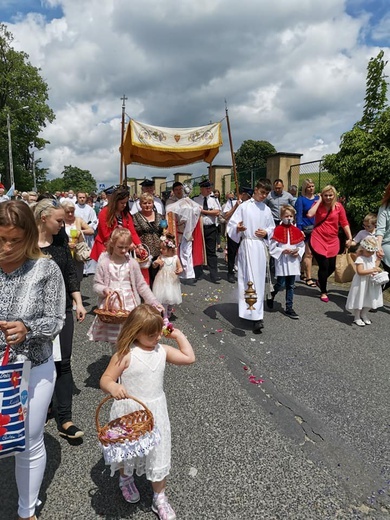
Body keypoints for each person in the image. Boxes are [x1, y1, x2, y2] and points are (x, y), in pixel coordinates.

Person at [0, 200, 66, 520]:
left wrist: (28, 328)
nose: (7, 247)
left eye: (15, 240)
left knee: (28, 439)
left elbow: (56, 320)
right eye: (1, 239)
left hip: (34, 368)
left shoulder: (46, 268)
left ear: (28, 236)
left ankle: (27, 511)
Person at [100, 304, 195, 520]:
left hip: (155, 412)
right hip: (129, 412)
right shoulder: (125, 354)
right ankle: (126, 478)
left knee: (158, 452)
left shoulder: (161, 351)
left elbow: (189, 358)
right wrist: (114, 387)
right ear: (135, 332)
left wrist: (178, 335)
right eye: (151, 335)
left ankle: (159, 496)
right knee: (128, 449)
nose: (157, 338)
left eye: (158, 333)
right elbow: (105, 379)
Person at [34, 198, 87, 440]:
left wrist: (77, 301)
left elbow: (69, 272)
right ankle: (42, 407)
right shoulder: (26, 244)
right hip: (34, 314)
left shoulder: (61, 239)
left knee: (63, 362)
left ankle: (65, 419)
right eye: (58, 220)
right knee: (38, 361)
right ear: (43, 218)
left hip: (63, 308)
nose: (62, 223)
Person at [88, 228, 162, 348]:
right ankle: (116, 361)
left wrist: (153, 302)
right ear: (112, 244)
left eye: (126, 247)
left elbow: (141, 285)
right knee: (115, 339)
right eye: (120, 247)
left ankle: (128, 361)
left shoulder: (132, 263)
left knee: (130, 335)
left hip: (130, 305)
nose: (123, 250)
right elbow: (96, 284)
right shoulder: (104, 263)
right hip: (112, 307)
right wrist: (104, 290)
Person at [227, 179, 275, 333]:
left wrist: (266, 232)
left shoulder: (267, 210)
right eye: (262, 192)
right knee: (248, 279)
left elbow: (272, 227)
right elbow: (231, 225)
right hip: (247, 246)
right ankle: (248, 311)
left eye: (266, 194)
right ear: (256, 189)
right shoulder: (244, 207)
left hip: (259, 247)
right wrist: (238, 228)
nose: (263, 196)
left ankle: (258, 317)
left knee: (259, 281)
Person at [307, 185, 353, 302]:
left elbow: (344, 222)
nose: (328, 197)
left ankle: (320, 281)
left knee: (332, 266)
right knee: (324, 266)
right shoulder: (318, 205)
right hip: (318, 238)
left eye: (330, 195)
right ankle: (323, 291)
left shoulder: (338, 207)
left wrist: (350, 237)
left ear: (334, 196)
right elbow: (310, 214)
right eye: (325, 195)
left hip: (332, 240)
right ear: (322, 195)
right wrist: (319, 201)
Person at [267, 205, 305, 319]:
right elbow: (272, 247)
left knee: (291, 285)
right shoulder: (277, 230)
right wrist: (282, 251)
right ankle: (272, 294)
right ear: (281, 216)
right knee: (281, 283)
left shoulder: (297, 230)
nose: (288, 218)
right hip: (282, 260)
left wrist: (298, 251)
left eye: (291, 216)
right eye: (286, 216)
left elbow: (301, 245)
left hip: (292, 261)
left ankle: (289, 307)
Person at [90, 187, 141, 262]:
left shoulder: (126, 214)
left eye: (126, 202)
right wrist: (127, 243)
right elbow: (107, 235)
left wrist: (139, 245)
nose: (124, 205)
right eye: (122, 203)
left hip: (121, 248)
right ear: (115, 201)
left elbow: (132, 232)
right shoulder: (104, 213)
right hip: (105, 249)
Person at [346, 237, 383, 326]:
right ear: (363, 249)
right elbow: (360, 272)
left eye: (372, 252)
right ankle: (357, 317)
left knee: (370, 297)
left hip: (370, 281)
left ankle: (364, 314)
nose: (370, 254)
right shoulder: (360, 259)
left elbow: (374, 265)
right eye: (368, 251)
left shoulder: (371, 257)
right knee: (360, 297)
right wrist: (373, 270)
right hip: (361, 282)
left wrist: (378, 259)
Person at [193, 179, 222, 283]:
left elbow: (217, 212)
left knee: (211, 252)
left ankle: (214, 274)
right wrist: (209, 212)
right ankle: (198, 273)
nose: (209, 190)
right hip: (199, 229)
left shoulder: (214, 199)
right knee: (198, 249)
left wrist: (203, 211)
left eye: (210, 188)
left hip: (211, 228)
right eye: (207, 188)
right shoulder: (195, 199)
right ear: (201, 189)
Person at [132, 192, 164, 286]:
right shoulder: (135, 217)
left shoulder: (159, 216)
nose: (147, 205)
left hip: (158, 249)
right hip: (144, 250)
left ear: (153, 203)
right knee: (144, 277)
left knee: (157, 275)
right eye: (144, 203)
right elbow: (133, 233)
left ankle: (156, 297)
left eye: (149, 203)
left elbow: (164, 231)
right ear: (140, 204)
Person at [152, 233, 183, 322]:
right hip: (162, 280)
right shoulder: (161, 257)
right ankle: (165, 316)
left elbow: (180, 267)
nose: (161, 250)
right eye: (160, 249)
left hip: (171, 280)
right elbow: (154, 266)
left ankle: (169, 309)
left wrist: (179, 270)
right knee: (164, 298)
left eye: (163, 249)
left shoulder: (175, 258)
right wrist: (156, 263)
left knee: (171, 297)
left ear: (170, 249)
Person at [295, 178, 320, 287]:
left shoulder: (318, 199)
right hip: (307, 229)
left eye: (312, 186)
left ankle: (302, 271)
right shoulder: (301, 200)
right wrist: (300, 230)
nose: (311, 188)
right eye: (308, 186)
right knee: (309, 253)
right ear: (305, 188)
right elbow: (299, 215)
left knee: (311, 253)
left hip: (318, 229)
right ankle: (309, 277)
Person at [61, 200, 94, 283]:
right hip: (64, 252)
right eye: (67, 212)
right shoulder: (60, 221)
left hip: (77, 252)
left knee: (77, 276)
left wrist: (80, 232)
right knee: (65, 276)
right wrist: (67, 244)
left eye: (72, 212)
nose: (70, 214)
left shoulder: (78, 220)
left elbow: (91, 231)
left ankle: (76, 293)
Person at [224, 188, 252, 283]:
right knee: (232, 253)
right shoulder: (232, 202)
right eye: (247, 196)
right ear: (242, 194)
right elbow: (226, 216)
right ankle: (230, 272)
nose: (248, 198)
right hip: (233, 231)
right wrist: (236, 206)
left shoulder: (251, 205)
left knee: (245, 253)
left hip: (246, 232)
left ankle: (244, 273)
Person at [75, 192, 98, 276]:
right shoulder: (74, 208)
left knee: (88, 250)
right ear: (77, 198)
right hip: (77, 233)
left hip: (88, 233)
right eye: (80, 197)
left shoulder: (90, 209)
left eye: (83, 197)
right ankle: (82, 269)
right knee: (79, 250)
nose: (82, 199)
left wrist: (88, 227)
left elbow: (94, 221)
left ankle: (89, 269)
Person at [376, 182, 390, 291]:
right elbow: (380, 229)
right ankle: (374, 297)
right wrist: (378, 246)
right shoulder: (385, 208)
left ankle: (374, 296)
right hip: (387, 245)